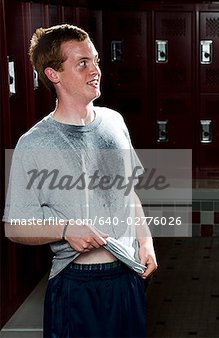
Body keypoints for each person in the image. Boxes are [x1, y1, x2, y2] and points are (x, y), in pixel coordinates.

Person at [2, 24, 157, 337]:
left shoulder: (114, 122)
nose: (95, 70)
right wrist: (65, 229)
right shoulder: (34, 143)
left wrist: (146, 241)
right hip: (77, 284)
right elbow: (14, 226)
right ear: (53, 75)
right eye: (83, 63)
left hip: (127, 275)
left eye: (96, 60)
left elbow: (129, 194)